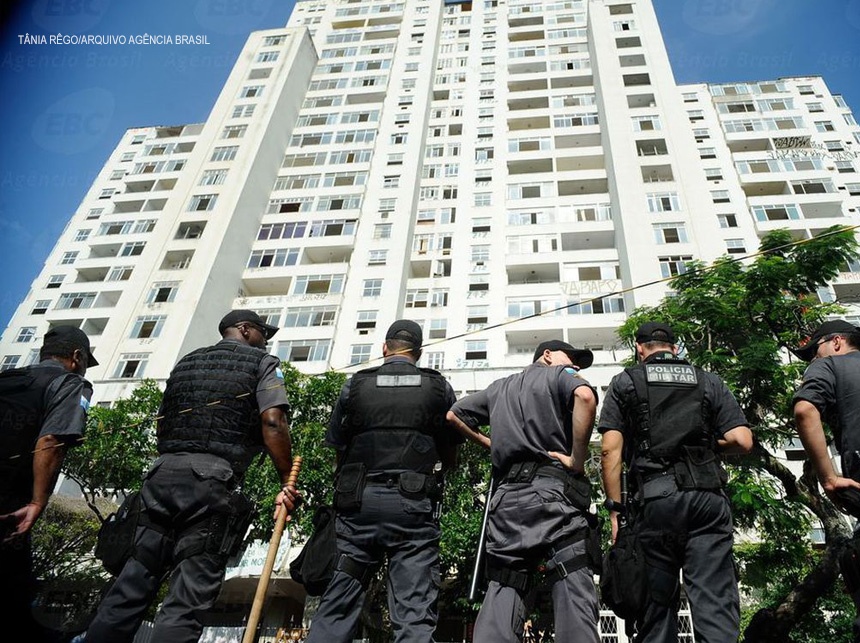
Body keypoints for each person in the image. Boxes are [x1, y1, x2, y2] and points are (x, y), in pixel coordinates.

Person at [82, 310, 297, 643]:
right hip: (210, 484)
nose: (266, 341)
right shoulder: (262, 363)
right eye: (262, 333)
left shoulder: (187, 361)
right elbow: (273, 422)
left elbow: (163, 420)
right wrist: (286, 481)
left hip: (159, 476)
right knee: (186, 600)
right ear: (244, 330)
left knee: (128, 590)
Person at [304, 320, 460, 643]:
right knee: (414, 618)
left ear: (384, 348)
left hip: (356, 507)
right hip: (413, 509)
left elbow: (338, 448)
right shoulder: (438, 388)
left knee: (335, 610)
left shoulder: (355, 385)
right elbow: (451, 454)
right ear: (418, 353)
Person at [599, 322, 752, 643]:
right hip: (708, 498)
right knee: (715, 601)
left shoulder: (626, 381)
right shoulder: (708, 381)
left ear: (639, 348)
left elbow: (609, 450)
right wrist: (708, 446)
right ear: (675, 347)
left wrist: (615, 511)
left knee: (656, 606)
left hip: (656, 501)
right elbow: (742, 439)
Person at [447, 339, 600, 643]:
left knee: (506, 582)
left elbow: (454, 415)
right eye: (570, 358)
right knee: (570, 573)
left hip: (506, 501)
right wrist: (576, 459)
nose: (575, 365)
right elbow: (585, 397)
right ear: (546, 355)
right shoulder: (559, 376)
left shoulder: (499, 387)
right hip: (552, 495)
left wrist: (492, 445)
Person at [0, 326, 96, 641]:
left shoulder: (7, 379)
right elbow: (52, 439)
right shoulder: (70, 383)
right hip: (9, 502)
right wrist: (37, 502)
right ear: (76, 357)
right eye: (84, 361)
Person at [792, 319, 860, 642]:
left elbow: (805, 410)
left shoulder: (831, 366)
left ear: (835, 343)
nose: (814, 362)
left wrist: (829, 478)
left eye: (815, 353)